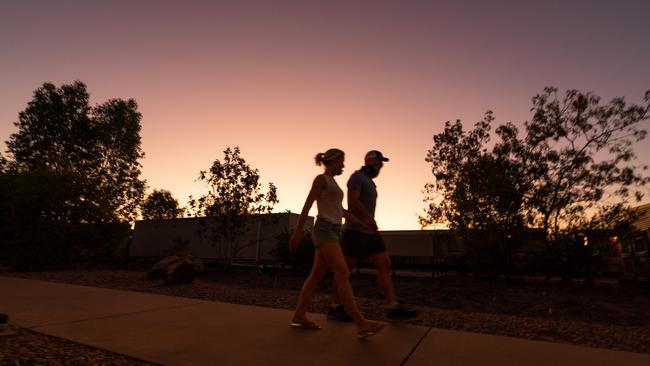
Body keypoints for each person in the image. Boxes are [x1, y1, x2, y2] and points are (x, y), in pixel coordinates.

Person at [289, 148, 386, 338]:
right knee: (343, 272)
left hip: (333, 230)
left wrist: (363, 223)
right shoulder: (321, 180)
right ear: (333, 161)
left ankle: (299, 315)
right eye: (342, 161)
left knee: (316, 275)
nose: (343, 165)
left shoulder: (333, 183)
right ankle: (361, 322)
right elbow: (307, 205)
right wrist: (298, 233)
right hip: (324, 230)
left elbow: (341, 211)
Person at [329, 150, 418, 322]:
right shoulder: (357, 177)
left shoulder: (370, 182)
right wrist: (369, 218)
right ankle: (335, 307)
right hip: (355, 231)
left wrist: (371, 222)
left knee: (384, 263)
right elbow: (353, 200)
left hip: (370, 232)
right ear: (370, 161)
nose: (380, 167)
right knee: (345, 270)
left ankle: (392, 307)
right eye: (379, 163)